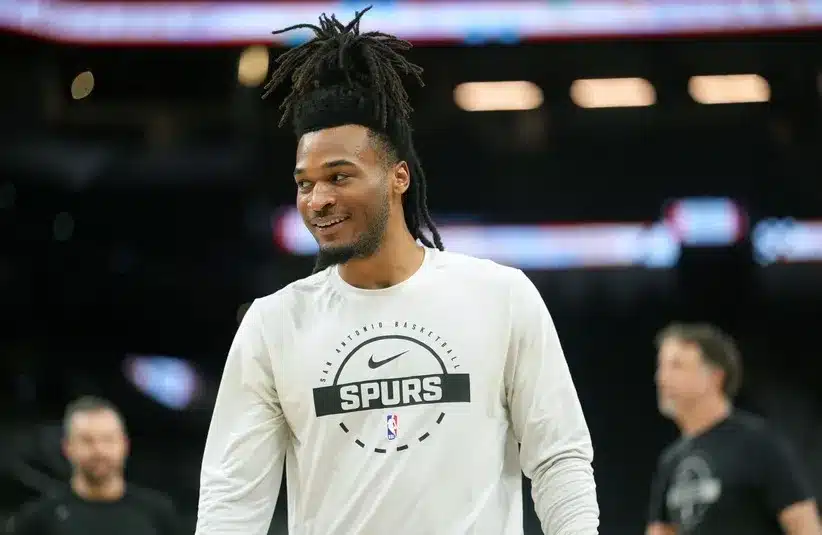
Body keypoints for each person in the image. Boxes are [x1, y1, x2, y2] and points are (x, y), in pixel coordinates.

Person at [196, 6, 598, 535]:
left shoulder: (500, 296)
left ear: (399, 177)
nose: (318, 199)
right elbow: (231, 499)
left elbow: (558, 458)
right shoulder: (273, 325)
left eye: (339, 176)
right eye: (304, 183)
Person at [647, 323, 821, 535]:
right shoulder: (671, 461)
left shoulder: (758, 445)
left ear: (715, 377)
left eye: (677, 366)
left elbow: (806, 529)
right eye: (661, 367)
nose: (662, 378)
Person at [8, 396, 179, 535]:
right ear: (67, 447)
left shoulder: (158, 514)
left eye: (108, 439)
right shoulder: (39, 519)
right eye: (87, 441)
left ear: (124, 444)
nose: (99, 451)